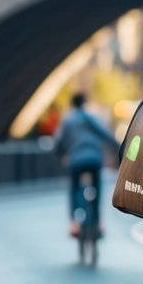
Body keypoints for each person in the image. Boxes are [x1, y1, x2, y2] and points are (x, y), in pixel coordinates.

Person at [54, 93, 118, 237]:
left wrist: (62, 155)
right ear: (85, 103)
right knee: (97, 188)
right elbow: (105, 134)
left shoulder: (68, 121)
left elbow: (58, 142)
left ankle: (74, 223)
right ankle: (99, 223)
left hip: (75, 160)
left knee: (75, 189)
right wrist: (119, 147)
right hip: (94, 160)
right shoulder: (92, 118)